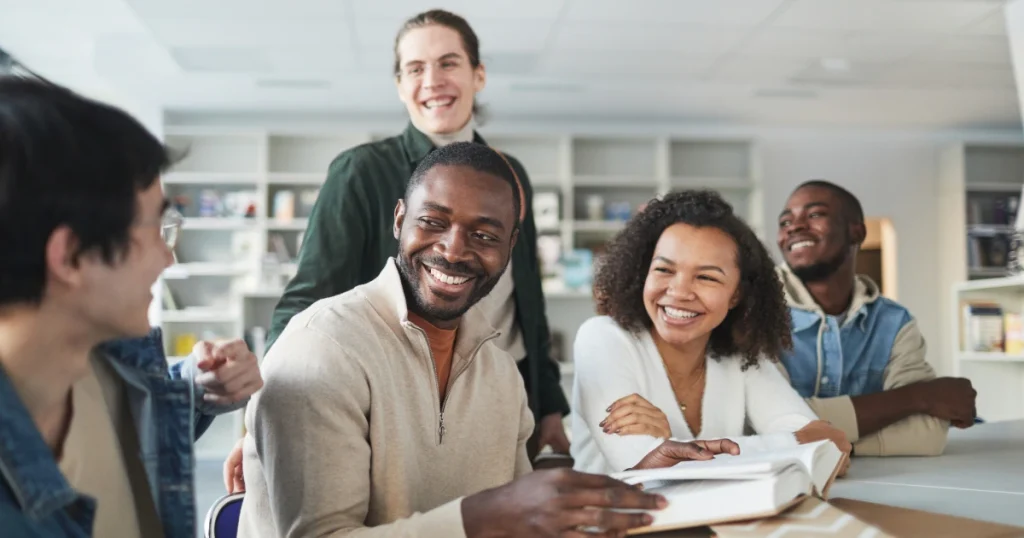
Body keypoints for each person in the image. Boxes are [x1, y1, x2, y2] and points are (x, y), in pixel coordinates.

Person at [238, 142, 738, 537]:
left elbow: (525, 520)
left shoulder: (499, 372)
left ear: (511, 247)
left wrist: (640, 479)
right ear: (398, 220)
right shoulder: (322, 348)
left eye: (484, 235)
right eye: (433, 222)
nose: (454, 251)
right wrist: (483, 519)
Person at [264, 8, 570, 458]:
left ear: (478, 75)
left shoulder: (512, 174)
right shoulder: (360, 172)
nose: (432, 80)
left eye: (448, 63)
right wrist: (263, 411)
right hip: (398, 397)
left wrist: (549, 411)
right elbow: (307, 300)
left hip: (508, 392)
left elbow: (528, 303)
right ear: (400, 85)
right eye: (415, 68)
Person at [0, 76, 264, 537]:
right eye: (155, 230)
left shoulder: (110, 368)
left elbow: (140, 407)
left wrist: (198, 389)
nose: (168, 257)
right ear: (71, 255)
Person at [570, 190, 851, 475]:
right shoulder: (603, 338)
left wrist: (673, 447)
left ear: (736, 294)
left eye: (706, 277)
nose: (678, 292)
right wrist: (791, 444)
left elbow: (828, 451)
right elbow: (645, 470)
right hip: (609, 518)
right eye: (664, 270)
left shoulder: (739, 355)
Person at [775, 180, 977, 456]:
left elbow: (928, 435)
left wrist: (814, 444)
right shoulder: (753, 313)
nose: (794, 227)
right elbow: (765, 424)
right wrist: (920, 397)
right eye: (785, 221)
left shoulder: (895, 323)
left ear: (856, 232)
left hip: (876, 486)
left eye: (814, 215)